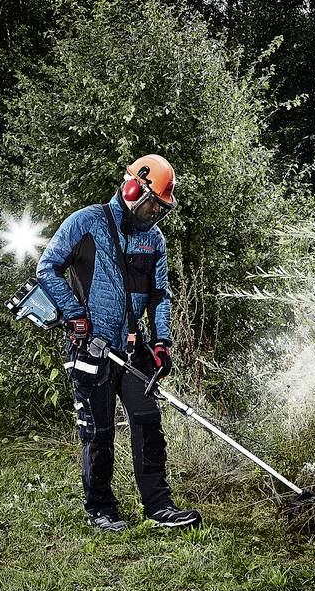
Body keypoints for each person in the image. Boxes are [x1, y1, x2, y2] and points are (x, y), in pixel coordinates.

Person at [36, 154, 202, 532]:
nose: (153, 215)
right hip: (90, 346)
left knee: (147, 421)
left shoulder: (153, 239)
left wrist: (162, 343)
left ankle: (159, 507)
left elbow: (160, 294)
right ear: (132, 189)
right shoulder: (86, 222)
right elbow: (46, 268)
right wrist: (75, 315)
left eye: (160, 210)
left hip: (133, 348)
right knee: (98, 430)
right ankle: (101, 509)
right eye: (150, 205)